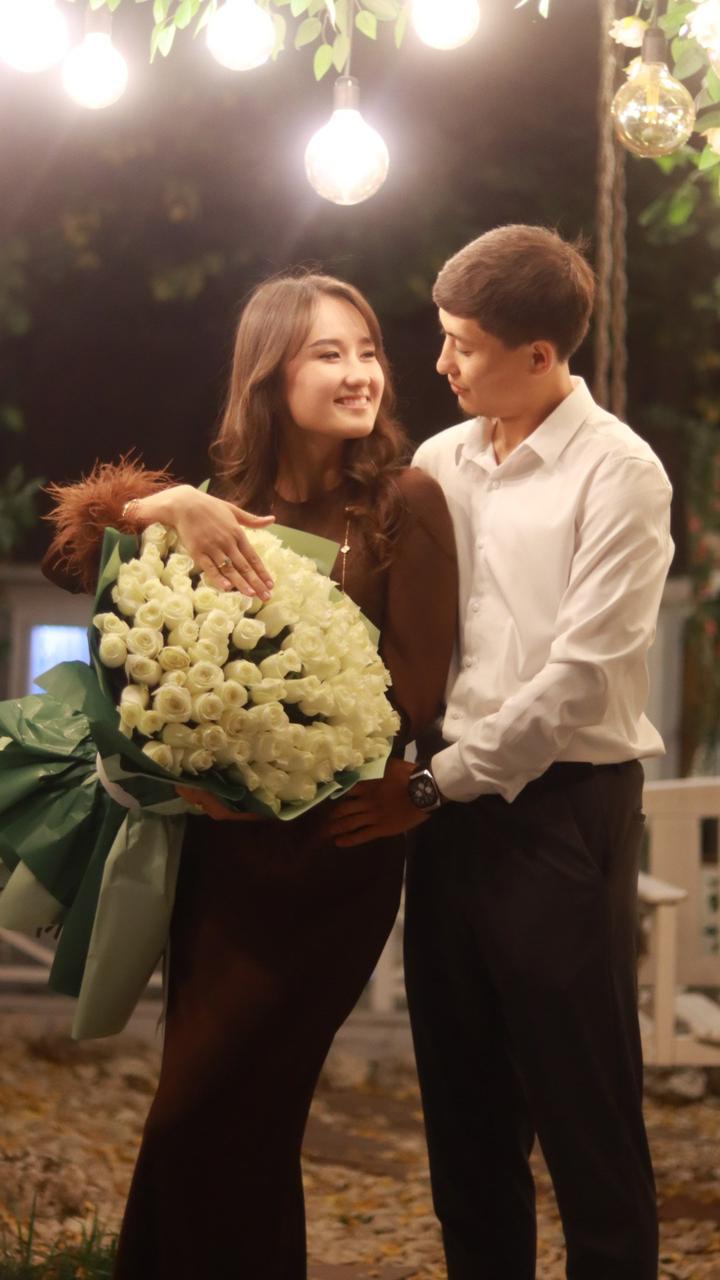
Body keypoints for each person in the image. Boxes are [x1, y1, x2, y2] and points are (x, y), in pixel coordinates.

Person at [41, 271, 458, 1280]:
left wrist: (271, 755)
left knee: (223, 1105)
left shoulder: (404, 502)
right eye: (330, 353)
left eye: (368, 351)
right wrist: (174, 502)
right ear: (270, 372)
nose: (360, 372)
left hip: (334, 856)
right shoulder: (222, 510)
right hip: (223, 862)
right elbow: (87, 560)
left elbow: (416, 691)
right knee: (220, 1114)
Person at [324, 225, 673, 1279]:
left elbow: (578, 680)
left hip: (565, 810)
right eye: (442, 336)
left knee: (586, 1111)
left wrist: (435, 784)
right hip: (444, 812)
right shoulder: (440, 462)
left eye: (463, 344)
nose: (440, 363)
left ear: (540, 354)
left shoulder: (621, 473)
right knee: (465, 1116)